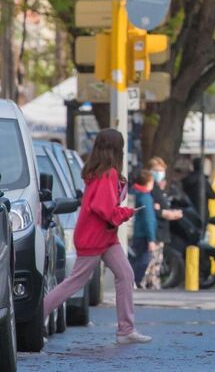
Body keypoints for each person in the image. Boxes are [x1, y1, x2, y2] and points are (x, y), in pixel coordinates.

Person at [42, 128, 152, 344]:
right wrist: (127, 212)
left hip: (103, 237)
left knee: (126, 274)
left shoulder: (99, 173)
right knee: (75, 282)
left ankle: (126, 330)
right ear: (116, 149)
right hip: (96, 237)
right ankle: (36, 318)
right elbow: (104, 209)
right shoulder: (107, 174)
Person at [144, 157, 182, 289]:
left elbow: (160, 206)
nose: (159, 173)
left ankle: (153, 286)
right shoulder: (150, 188)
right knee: (151, 263)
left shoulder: (157, 187)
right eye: (156, 170)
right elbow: (152, 210)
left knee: (156, 263)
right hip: (155, 231)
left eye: (161, 171)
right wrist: (167, 213)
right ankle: (148, 286)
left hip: (160, 231)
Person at [129, 170, 157, 287]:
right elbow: (148, 219)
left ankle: (131, 280)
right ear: (148, 182)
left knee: (133, 259)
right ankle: (134, 281)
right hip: (142, 235)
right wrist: (151, 239)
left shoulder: (133, 193)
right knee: (144, 259)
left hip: (133, 233)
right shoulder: (145, 197)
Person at [182, 157, 215, 221]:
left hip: (189, 210)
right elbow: (213, 195)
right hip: (202, 211)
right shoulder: (203, 180)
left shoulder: (187, 179)